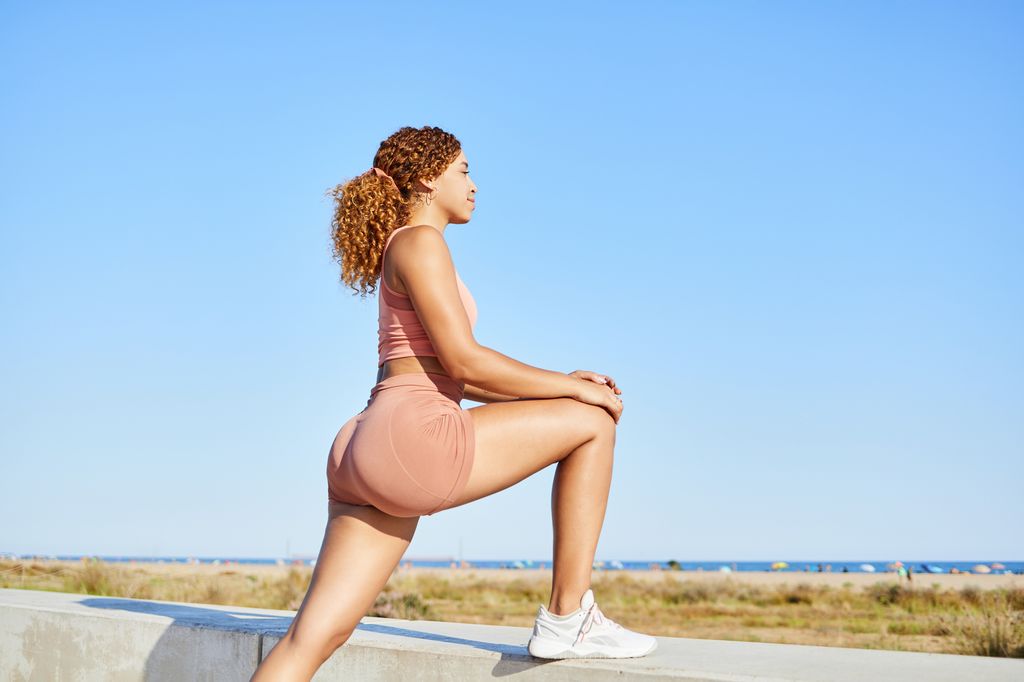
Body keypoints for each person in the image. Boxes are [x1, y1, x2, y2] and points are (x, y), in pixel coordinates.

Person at [250, 126, 656, 681]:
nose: (473, 184)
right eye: (463, 170)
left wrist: (562, 379)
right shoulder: (421, 241)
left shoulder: (404, 246)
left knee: (310, 640)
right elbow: (465, 362)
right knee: (593, 423)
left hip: (363, 444)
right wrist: (579, 391)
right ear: (426, 178)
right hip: (412, 432)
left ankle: (571, 617)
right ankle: (568, 617)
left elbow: (451, 374)